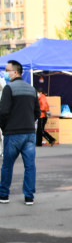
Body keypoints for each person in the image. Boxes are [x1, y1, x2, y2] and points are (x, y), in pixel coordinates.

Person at [0, 59, 41, 205]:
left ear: (15, 72)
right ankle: (29, 196)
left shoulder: (9, 88)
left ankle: (4, 195)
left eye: (7, 70)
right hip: (29, 133)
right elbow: (38, 112)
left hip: (12, 133)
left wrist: (4, 128)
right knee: (30, 166)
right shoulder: (32, 89)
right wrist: (29, 122)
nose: (5, 72)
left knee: (7, 165)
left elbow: (3, 112)